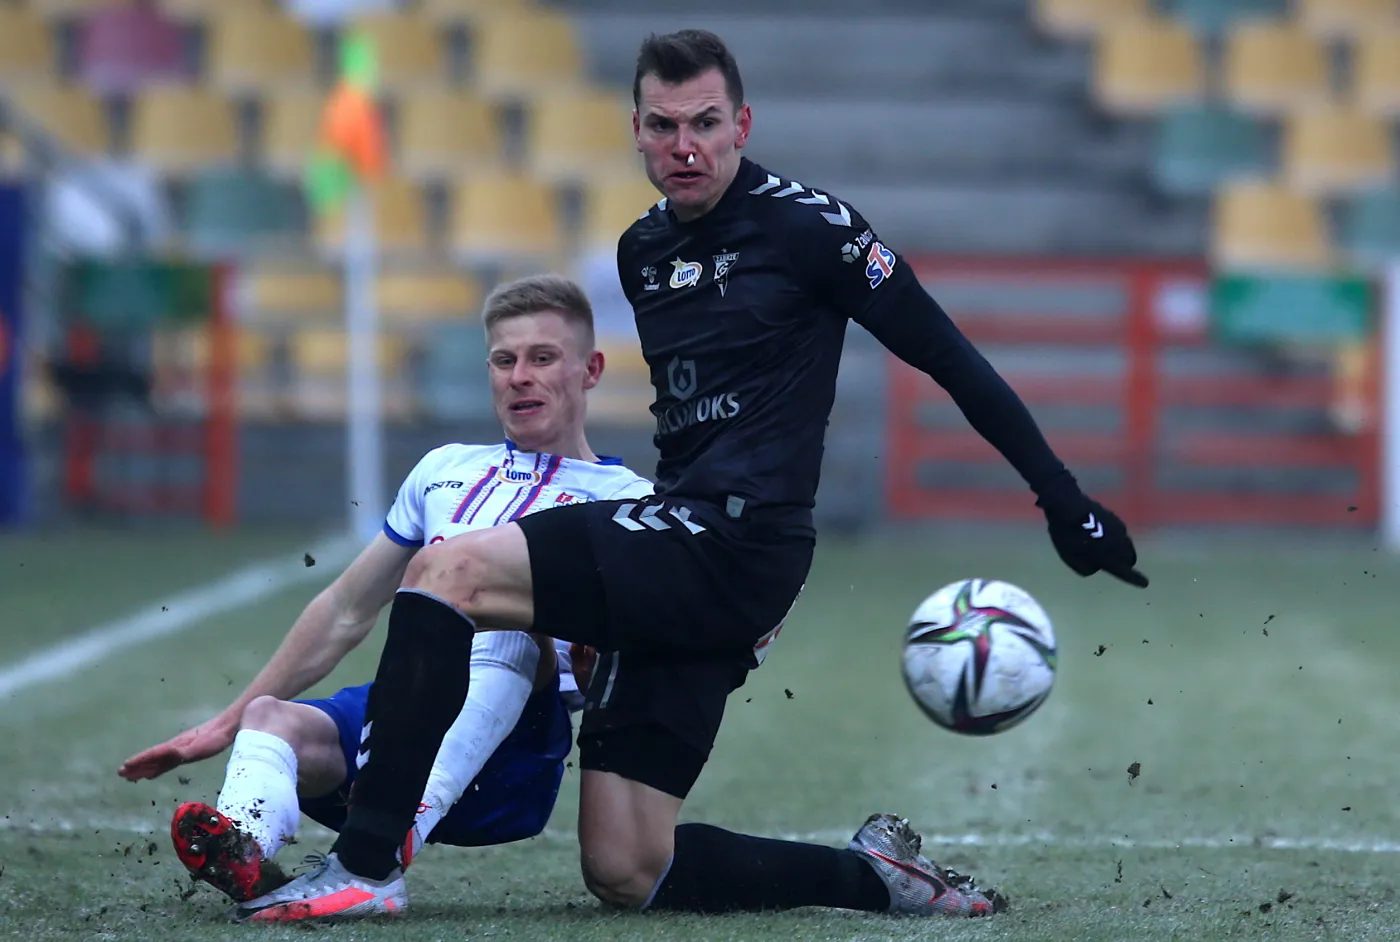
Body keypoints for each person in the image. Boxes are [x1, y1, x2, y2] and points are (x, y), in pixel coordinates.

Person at [238, 29, 1147, 923]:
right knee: (628, 866)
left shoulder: (810, 229)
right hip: (679, 541)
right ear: (634, 130)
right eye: (664, 126)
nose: (686, 147)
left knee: (448, 571)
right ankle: (876, 879)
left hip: (742, 543)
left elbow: (951, 358)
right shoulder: (643, 254)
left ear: (742, 123)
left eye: (705, 123)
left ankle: (362, 867)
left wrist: (1062, 501)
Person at [116, 274, 653, 911]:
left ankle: (386, 845)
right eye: (504, 361)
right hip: (401, 721)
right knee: (272, 718)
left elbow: (649, 653)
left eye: (543, 358)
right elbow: (346, 610)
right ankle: (246, 852)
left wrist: (599, 676)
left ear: (591, 370)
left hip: (512, 756)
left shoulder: (632, 504)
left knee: (498, 620)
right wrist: (226, 724)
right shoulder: (444, 470)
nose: (520, 376)